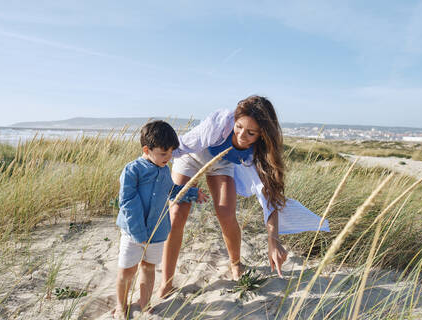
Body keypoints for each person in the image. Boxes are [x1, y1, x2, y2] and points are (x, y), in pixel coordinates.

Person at [159, 95, 330, 298]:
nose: (241, 136)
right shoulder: (220, 122)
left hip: (222, 164)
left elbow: (270, 196)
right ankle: (166, 283)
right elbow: (181, 147)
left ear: (262, 135)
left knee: (226, 213)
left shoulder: (260, 152)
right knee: (177, 213)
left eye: (251, 133)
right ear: (234, 120)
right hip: (191, 157)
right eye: (239, 127)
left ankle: (236, 264)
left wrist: (273, 239)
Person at [114, 120, 207, 318]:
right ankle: (121, 306)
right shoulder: (132, 170)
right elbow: (128, 202)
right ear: (147, 149)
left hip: (157, 231)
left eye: (171, 152)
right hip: (134, 233)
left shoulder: (164, 170)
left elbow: (172, 191)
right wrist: (139, 234)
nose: (169, 157)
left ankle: (144, 303)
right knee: (127, 271)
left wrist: (191, 193)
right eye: (163, 153)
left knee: (148, 268)